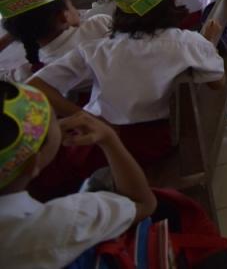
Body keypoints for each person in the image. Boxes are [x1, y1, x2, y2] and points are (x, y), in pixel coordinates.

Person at [27, 0, 224, 200]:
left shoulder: (96, 49)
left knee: (38, 171)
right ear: (169, 2)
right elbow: (217, 83)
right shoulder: (187, 43)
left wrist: (84, 116)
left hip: (102, 145)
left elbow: (37, 85)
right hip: (159, 141)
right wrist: (209, 44)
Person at [0, 82, 158, 269]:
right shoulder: (70, 219)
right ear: (33, 163)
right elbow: (143, 204)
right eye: (53, 123)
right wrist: (109, 138)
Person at [0, 0, 111, 86]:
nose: (78, 11)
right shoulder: (99, 23)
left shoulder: (34, 72)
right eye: (72, 6)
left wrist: (19, 32)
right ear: (63, 16)